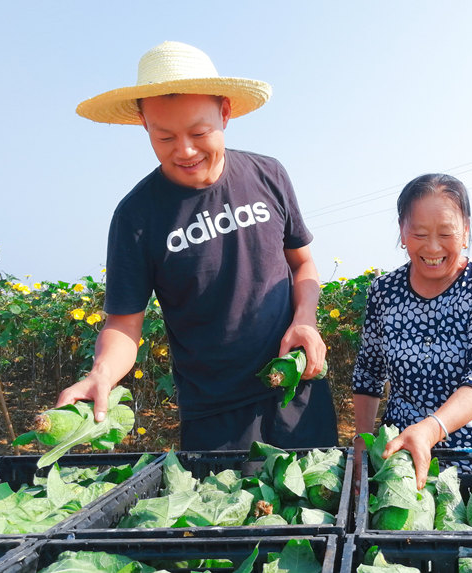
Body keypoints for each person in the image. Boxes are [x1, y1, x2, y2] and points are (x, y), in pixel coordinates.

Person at [56, 41, 338, 451]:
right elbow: (123, 323)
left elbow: (303, 263)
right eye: (165, 136)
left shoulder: (269, 174)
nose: (184, 150)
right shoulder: (137, 216)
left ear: (225, 113)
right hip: (215, 414)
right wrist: (102, 373)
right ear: (143, 123)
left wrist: (305, 321)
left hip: (300, 390)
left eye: (200, 132)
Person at [352, 173, 472, 489]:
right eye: (419, 233)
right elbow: (369, 371)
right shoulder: (385, 291)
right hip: (402, 456)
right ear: (402, 231)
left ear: (466, 230)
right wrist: (362, 439)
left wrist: (431, 429)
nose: (432, 247)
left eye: (446, 233)